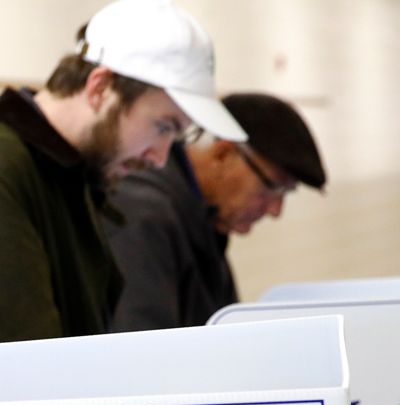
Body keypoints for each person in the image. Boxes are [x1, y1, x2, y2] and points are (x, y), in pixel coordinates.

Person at [0, 0, 247, 405]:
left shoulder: (75, 180)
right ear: (99, 88)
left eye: (176, 136)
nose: (160, 158)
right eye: (161, 126)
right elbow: (2, 387)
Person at [104, 93, 327, 330]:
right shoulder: (144, 219)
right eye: (272, 187)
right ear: (222, 155)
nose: (276, 210)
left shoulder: (202, 218)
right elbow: (140, 352)